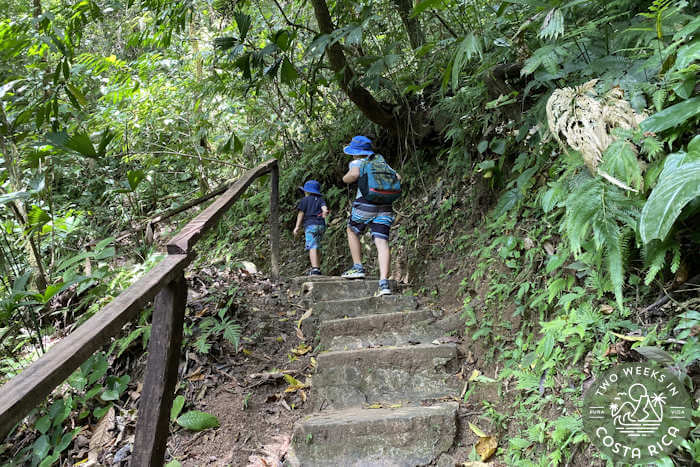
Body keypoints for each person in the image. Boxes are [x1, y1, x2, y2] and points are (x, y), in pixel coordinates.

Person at [340, 135, 398, 296]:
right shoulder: (381, 162)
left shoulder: (357, 162)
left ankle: (358, 267)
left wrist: (345, 179)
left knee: (352, 231)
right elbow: (398, 177)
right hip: (385, 207)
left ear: (355, 152)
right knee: (382, 242)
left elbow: (353, 175)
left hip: (365, 204)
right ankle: (384, 283)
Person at [293, 180, 329, 275]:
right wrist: (325, 213)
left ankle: (315, 269)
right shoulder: (321, 199)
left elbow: (301, 214)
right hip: (321, 225)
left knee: (312, 246)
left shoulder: (305, 200)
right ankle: (318, 267)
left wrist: (297, 227)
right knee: (317, 245)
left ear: (307, 191)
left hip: (310, 226)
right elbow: (324, 209)